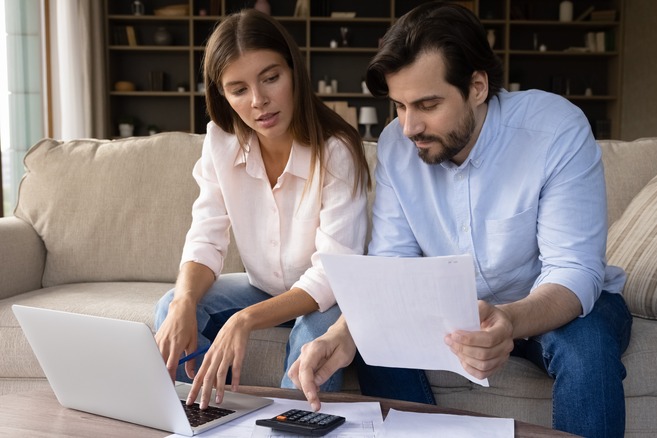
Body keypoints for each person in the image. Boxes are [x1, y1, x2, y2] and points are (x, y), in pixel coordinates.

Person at [288, 2, 632, 437]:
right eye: (399, 106)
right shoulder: (397, 145)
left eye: (428, 104)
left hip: (555, 302)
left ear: (477, 86)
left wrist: (508, 320)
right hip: (453, 312)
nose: (410, 126)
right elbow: (392, 264)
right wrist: (343, 332)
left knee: (589, 351)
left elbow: (575, 271)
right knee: (378, 351)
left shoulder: (555, 131)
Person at [153, 9, 370, 410]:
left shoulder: (336, 149)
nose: (259, 101)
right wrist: (184, 300)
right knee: (171, 305)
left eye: (271, 78)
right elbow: (205, 237)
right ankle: (208, 413)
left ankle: (292, 428)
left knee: (312, 335)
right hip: (261, 287)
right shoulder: (221, 141)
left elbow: (332, 274)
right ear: (222, 96)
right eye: (238, 89)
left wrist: (246, 319)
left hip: (326, 298)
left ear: (294, 71)